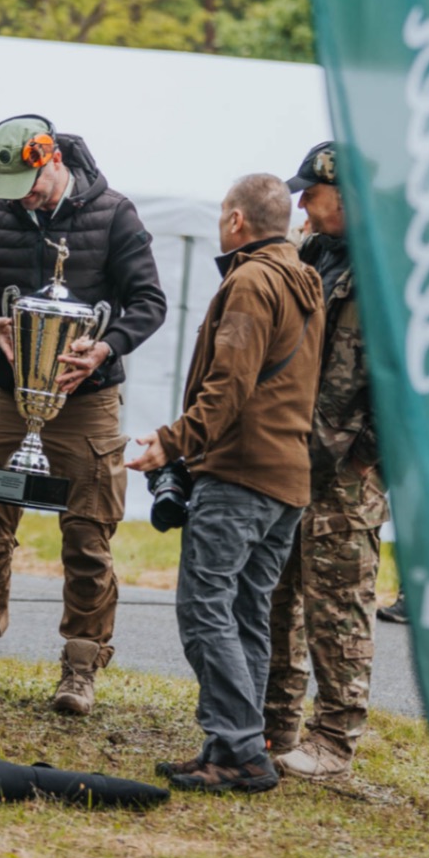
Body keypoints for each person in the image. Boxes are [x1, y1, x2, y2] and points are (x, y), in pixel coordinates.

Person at [0, 114, 166, 714]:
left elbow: (150, 302)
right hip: (10, 393)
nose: (23, 197)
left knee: (87, 534)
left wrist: (104, 347)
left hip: (87, 400)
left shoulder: (114, 212)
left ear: (53, 158)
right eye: (11, 187)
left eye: (31, 182)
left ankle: (80, 666)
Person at [131, 174, 324, 793]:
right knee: (245, 615)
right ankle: (229, 744)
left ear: (237, 221)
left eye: (223, 215)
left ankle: (241, 750)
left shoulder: (251, 280)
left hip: (241, 473)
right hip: (287, 477)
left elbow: (229, 384)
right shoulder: (305, 280)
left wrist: (173, 441)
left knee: (203, 607)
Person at [264, 140, 389, 780]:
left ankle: (334, 740)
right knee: (278, 597)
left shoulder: (395, 269)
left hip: (349, 473)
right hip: (293, 452)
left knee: (337, 609)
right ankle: (275, 724)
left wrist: (368, 457)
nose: (303, 206)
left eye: (311, 194)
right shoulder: (315, 252)